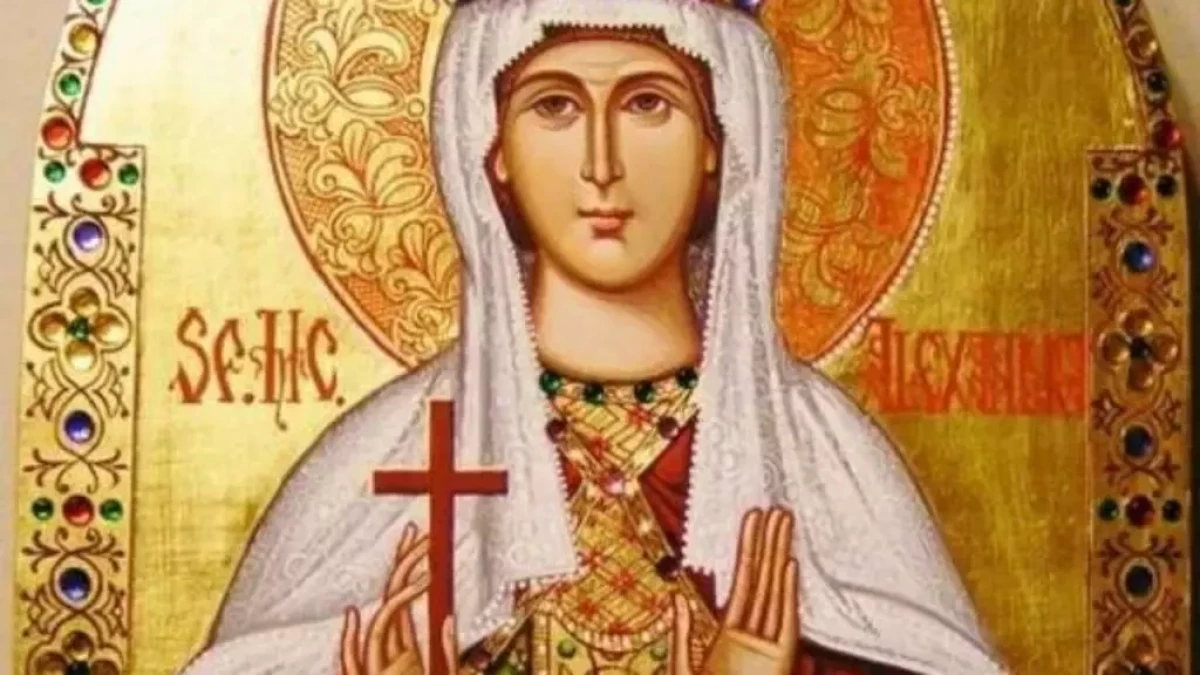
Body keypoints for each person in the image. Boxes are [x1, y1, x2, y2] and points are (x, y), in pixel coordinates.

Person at [182, 1, 1007, 673]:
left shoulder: (820, 459)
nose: (602, 163)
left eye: (649, 103)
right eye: (555, 106)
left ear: (720, 141)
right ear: (492, 149)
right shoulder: (386, 458)